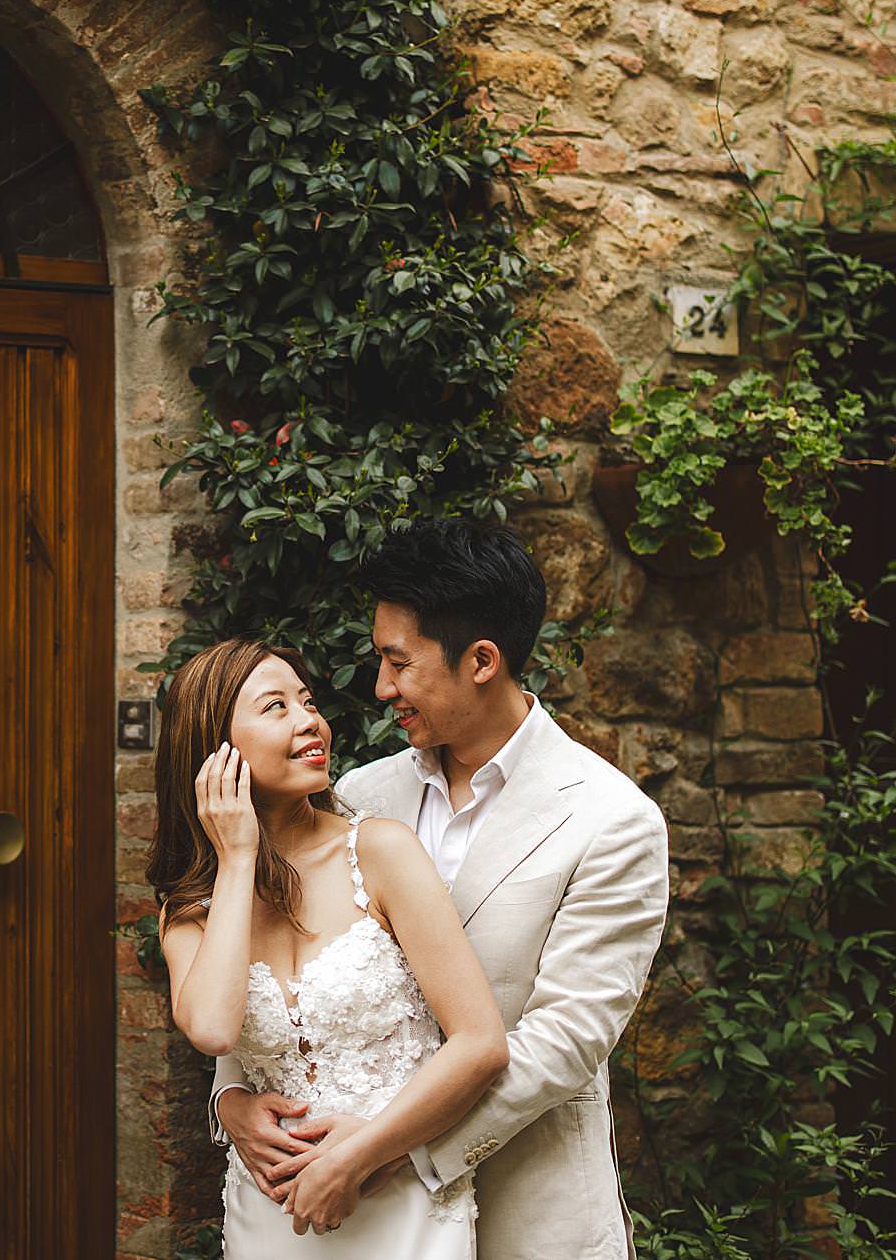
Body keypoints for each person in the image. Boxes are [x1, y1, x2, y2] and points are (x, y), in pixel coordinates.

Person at [210, 520, 671, 1260]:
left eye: (398, 661)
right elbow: (279, 959)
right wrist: (231, 1099)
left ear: (482, 659)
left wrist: (389, 1147)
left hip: (530, 1215)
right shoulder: (362, 792)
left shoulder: (612, 821)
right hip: (347, 1225)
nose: (380, 686)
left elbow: (564, 1041)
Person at [149, 638, 510, 1254]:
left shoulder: (381, 852)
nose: (310, 720)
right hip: (270, 1214)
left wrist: (361, 1154)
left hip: (398, 1203)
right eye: (275, 707)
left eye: (307, 700)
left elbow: (480, 1044)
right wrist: (237, 857)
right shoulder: (189, 908)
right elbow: (212, 1031)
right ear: (216, 752)